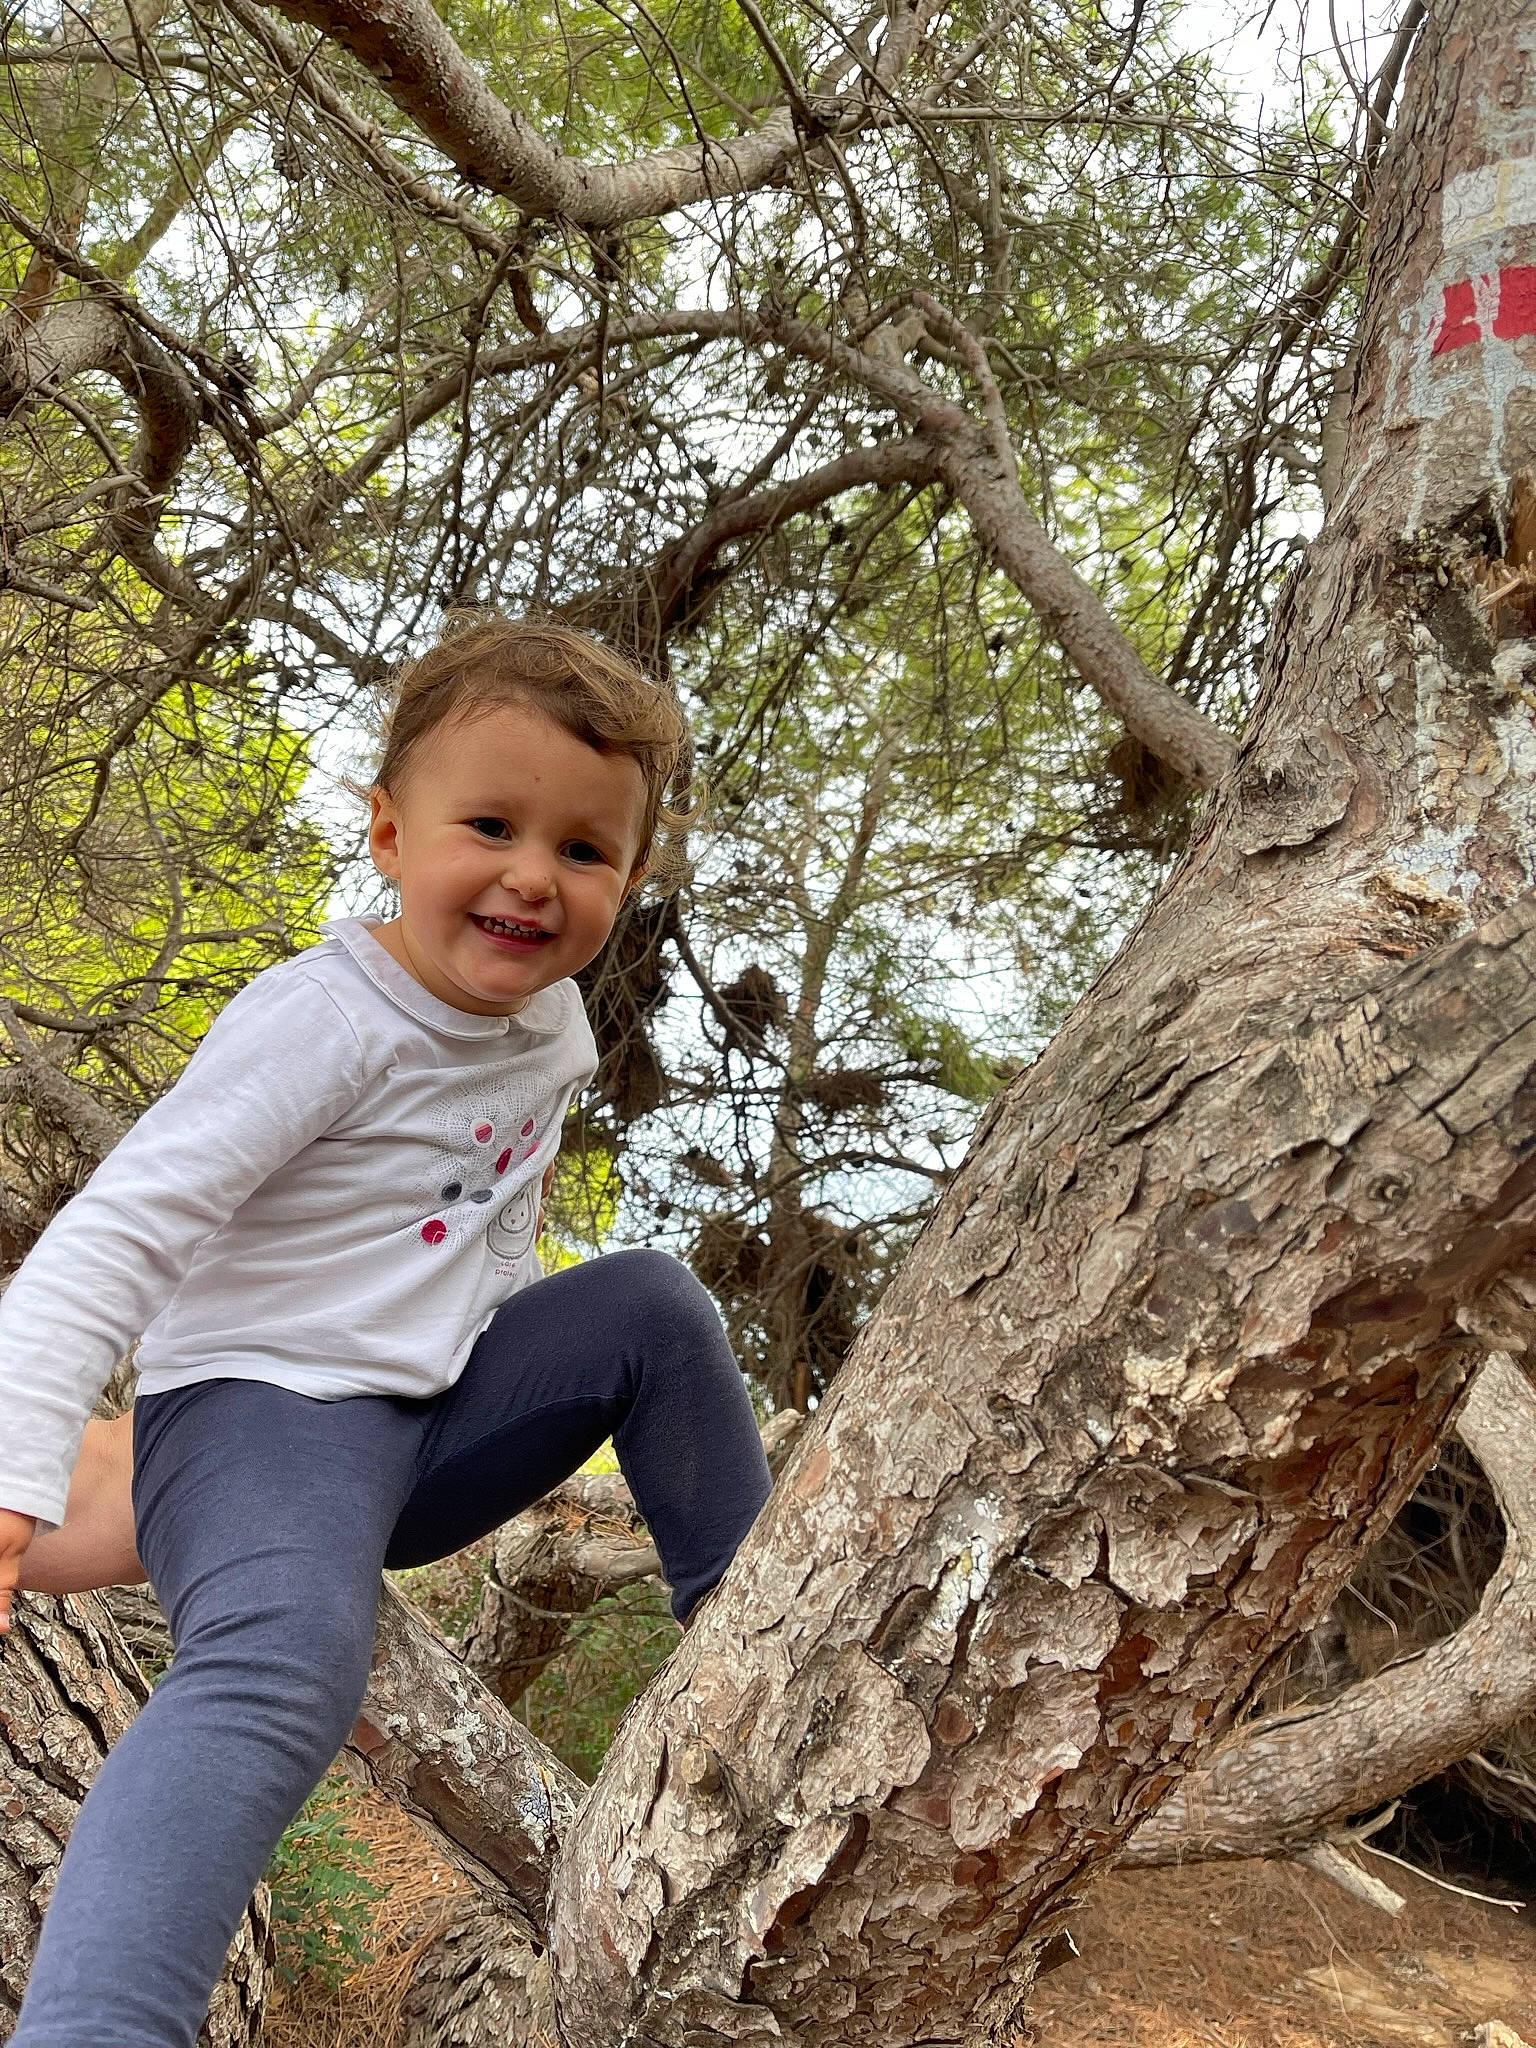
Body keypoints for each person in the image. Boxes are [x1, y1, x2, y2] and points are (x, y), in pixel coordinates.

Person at [0, 616, 773, 2048]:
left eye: (584, 849)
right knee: (286, 1662)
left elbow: (484, 1224)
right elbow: (114, 1237)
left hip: (426, 1423)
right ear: (388, 834)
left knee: (655, 1305)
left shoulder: (550, 1025)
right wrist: (20, 1470)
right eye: (490, 826)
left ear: (631, 877)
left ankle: (768, 1641)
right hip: (263, 1415)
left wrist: (495, 1349)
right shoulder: (323, 1023)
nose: (533, 875)